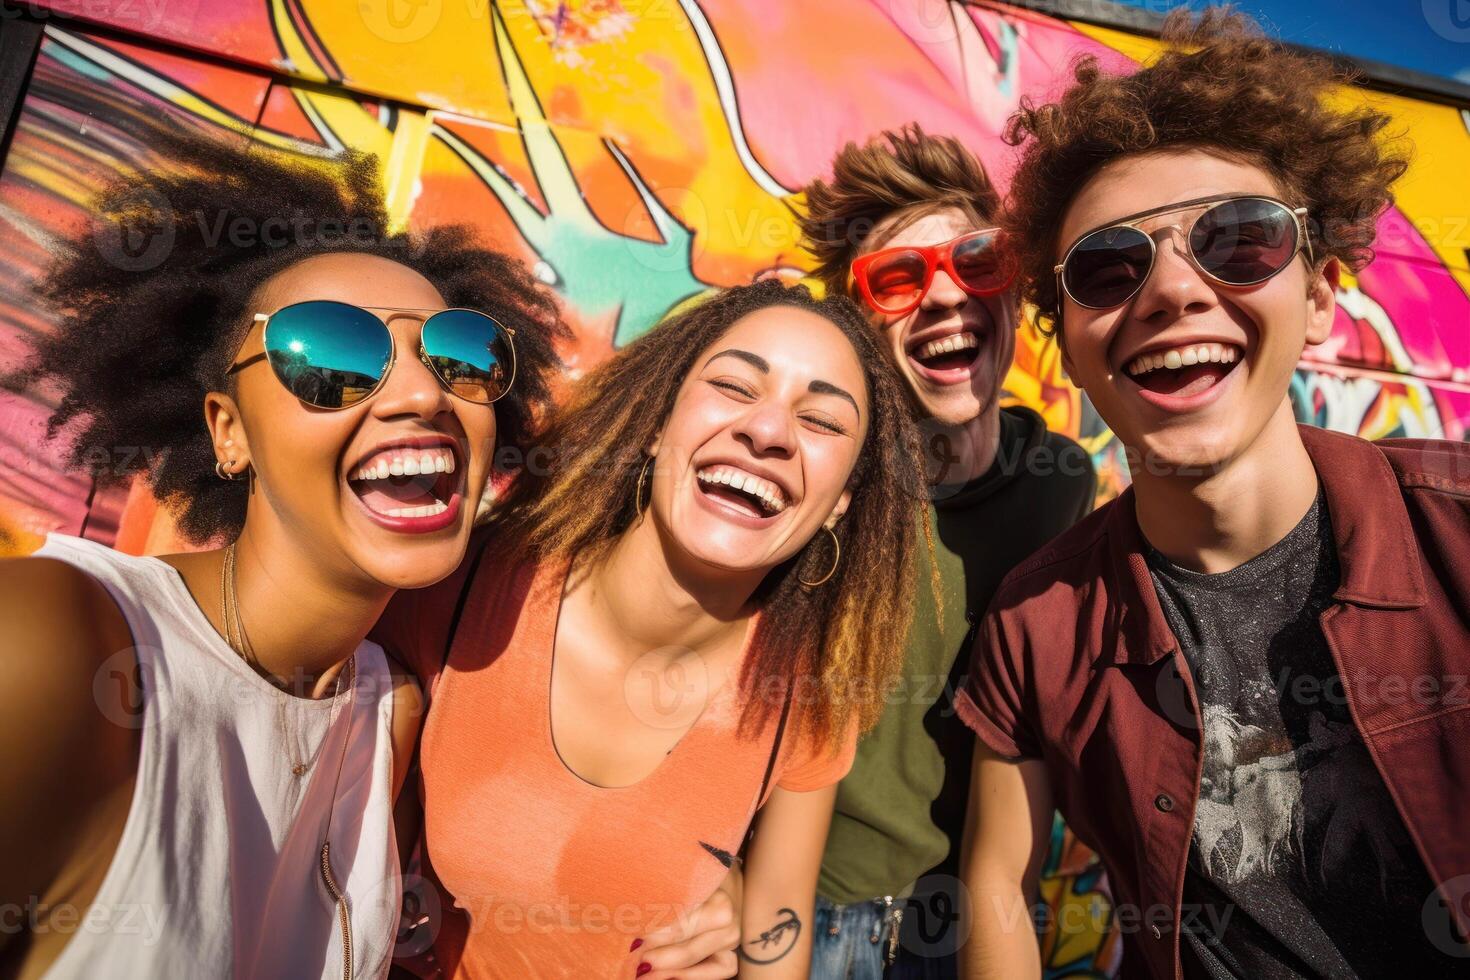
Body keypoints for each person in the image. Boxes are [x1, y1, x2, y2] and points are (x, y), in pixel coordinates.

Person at [957, 10, 1470, 978]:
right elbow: (995, 889)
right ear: (1065, 340)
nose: (1170, 290)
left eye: (1238, 240)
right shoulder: (1036, 621)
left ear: (1320, 293)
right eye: (1109, 266)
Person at [0, 128, 565, 978]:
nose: (421, 392)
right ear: (229, 432)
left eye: (457, 356)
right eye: (332, 354)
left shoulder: (388, 716)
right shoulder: (56, 643)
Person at [373, 279, 930, 978]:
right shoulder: (458, 598)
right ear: (659, 424)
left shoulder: (805, 693)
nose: (767, 431)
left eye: (821, 421)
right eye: (733, 386)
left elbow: (776, 941)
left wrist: (738, 927)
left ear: (842, 501)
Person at [795, 125, 1095, 977]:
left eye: (977, 261)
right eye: (897, 279)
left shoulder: (1063, 487)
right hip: (804, 912)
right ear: (857, 320)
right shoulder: (819, 479)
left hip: (965, 925)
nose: (944, 297)